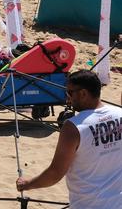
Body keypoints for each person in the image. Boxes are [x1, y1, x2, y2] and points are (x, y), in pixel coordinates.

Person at [16, 70, 122, 208]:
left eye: (70, 92)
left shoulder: (73, 127)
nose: (67, 98)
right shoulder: (120, 114)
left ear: (83, 93)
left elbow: (55, 173)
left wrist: (27, 184)